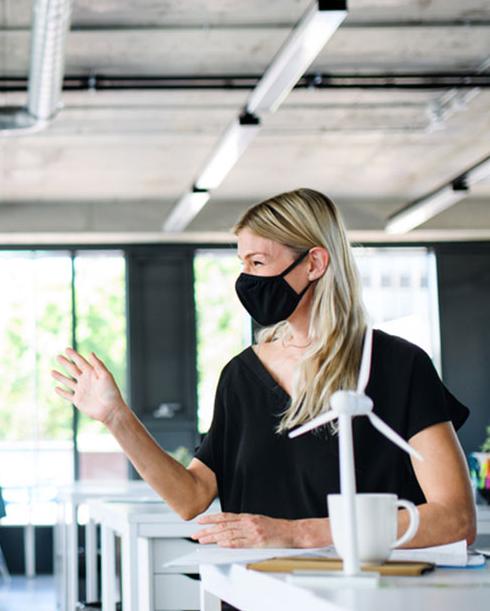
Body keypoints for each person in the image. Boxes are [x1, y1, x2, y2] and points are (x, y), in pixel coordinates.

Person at [52, 188, 476, 548]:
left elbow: (456, 518)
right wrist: (116, 417)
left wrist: (298, 534)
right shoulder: (241, 376)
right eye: (242, 264)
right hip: (254, 593)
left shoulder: (397, 366)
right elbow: (190, 498)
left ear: (314, 263)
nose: (246, 279)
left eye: (258, 263)